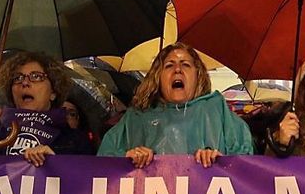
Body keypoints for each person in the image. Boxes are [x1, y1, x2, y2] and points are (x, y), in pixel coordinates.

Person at [98, 43, 253, 167]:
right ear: (158, 77)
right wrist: (127, 158)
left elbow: (245, 163)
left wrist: (220, 161)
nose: (177, 70)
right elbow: (103, 161)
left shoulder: (217, 111)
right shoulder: (137, 116)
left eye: (185, 65)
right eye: (169, 65)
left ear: (198, 75)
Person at [0, 51, 93, 166]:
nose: (24, 83)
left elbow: (86, 186)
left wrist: (55, 163)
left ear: (53, 92)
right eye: (17, 78)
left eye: (36, 76)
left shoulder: (75, 141)